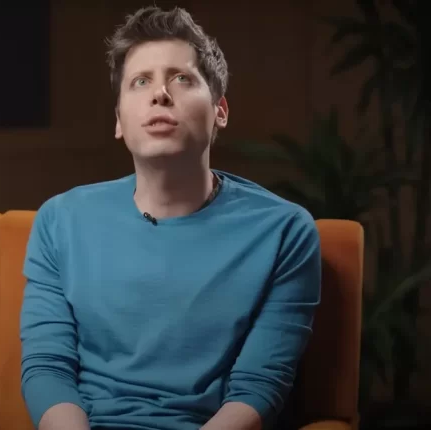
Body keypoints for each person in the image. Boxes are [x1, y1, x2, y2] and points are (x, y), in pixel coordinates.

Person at [19, 6, 321, 430]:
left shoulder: (285, 231)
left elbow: (258, 388)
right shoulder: (60, 220)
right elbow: (48, 368)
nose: (159, 94)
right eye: (140, 82)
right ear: (119, 121)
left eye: (181, 78)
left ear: (220, 111)